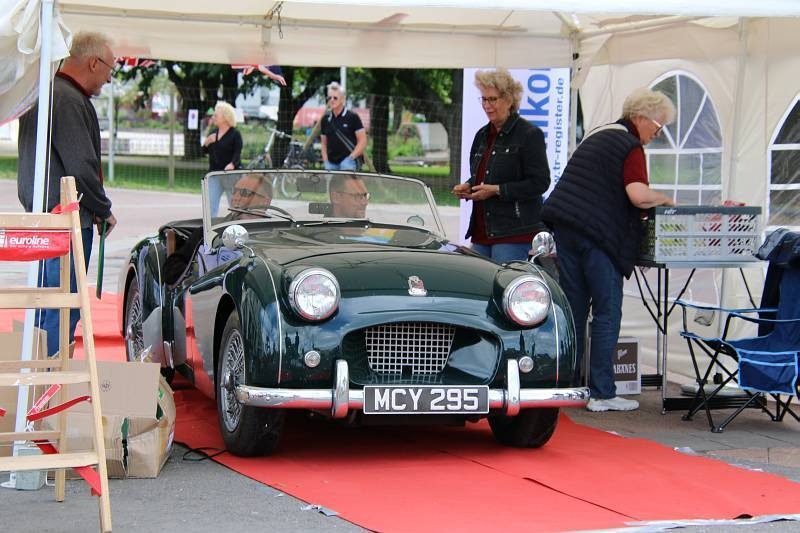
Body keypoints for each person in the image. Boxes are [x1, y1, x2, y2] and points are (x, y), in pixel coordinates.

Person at [541, 87, 677, 413]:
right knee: (607, 311)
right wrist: (665, 198)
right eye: (658, 127)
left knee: (573, 309)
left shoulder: (599, 134)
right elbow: (637, 195)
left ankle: (566, 385)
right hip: (599, 237)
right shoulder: (630, 145)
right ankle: (602, 392)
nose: (656, 135)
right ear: (641, 118)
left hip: (567, 229)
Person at [17, 31, 118, 358]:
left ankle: (38, 375)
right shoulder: (67, 99)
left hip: (47, 216)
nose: (109, 79)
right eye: (110, 70)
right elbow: (81, 167)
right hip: (65, 220)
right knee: (61, 309)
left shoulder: (48, 92)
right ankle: (50, 378)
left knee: (47, 304)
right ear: (94, 63)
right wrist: (103, 208)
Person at [451, 68, 551, 262]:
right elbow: (484, 174)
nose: (487, 105)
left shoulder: (529, 134)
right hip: (482, 231)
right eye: (484, 99)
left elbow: (540, 182)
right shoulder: (482, 135)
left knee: (504, 281)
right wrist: (469, 186)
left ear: (509, 100)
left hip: (513, 233)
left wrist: (497, 190)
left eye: (492, 99)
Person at [163, 174, 273, 286]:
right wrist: (198, 271)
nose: (235, 197)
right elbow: (170, 272)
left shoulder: (276, 233)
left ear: (265, 202)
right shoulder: (209, 232)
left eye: (245, 193)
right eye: (234, 191)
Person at [203, 101, 243, 216]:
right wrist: (206, 143)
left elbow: (237, 154)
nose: (213, 117)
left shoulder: (235, 134)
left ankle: (237, 225)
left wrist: (232, 164)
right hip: (214, 175)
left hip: (230, 175)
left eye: (216, 115)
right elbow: (204, 151)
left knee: (235, 206)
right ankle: (211, 226)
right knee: (210, 205)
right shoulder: (213, 133)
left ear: (225, 117)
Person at [320, 82, 367, 171]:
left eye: (335, 98)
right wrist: (325, 161)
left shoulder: (352, 117)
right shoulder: (325, 119)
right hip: (331, 163)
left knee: (347, 178)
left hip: (348, 162)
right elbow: (323, 143)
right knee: (331, 181)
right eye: (329, 97)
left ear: (342, 99)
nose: (332, 100)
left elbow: (363, 141)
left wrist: (351, 158)